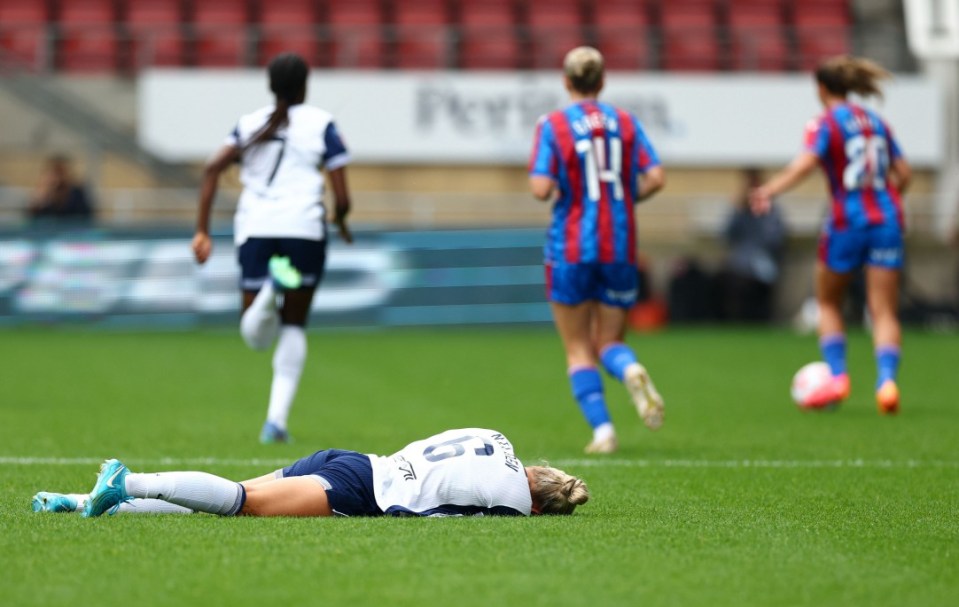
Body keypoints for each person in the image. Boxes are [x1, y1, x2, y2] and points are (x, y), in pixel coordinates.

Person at [192, 52, 353, 443]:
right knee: (294, 324)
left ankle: (270, 289)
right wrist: (342, 219)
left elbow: (212, 168)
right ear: (305, 84)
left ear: (270, 84)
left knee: (256, 336)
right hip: (304, 229)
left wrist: (202, 230)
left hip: (257, 227)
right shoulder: (322, 124)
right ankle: (275, 422)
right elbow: (342, 193)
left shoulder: (248, 124)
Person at [750, 55, 911, 414]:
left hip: (846, 220)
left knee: (827, 301)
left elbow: (806, 163)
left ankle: (838, 378)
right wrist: (888, 200)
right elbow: (905, 173)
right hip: (886, 219)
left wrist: (769, 190)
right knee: (883, 309)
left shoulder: (825, 122)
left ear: (821, 89)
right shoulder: (877, 122)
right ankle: (887, 383)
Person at [528, 46, 667, 454]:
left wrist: (564, 190)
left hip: (571, 247)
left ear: (566, 81)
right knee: (610, 341)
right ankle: (630, 368)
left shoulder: (553, 125)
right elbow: (656, 177)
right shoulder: (625, 122)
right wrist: (622, 196)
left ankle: (604, 431)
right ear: (602, 81)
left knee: (577, 347)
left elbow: (539, 189)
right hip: (619, 245)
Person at [30, 428, 590, 518]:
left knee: (236, 490)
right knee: (240, 502)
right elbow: (446, 514)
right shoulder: (517, 505)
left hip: (352, 460)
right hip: (361, 489)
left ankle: (77, 500)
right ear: (538, 504)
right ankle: (126, 482)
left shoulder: (497, 438)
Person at [719, 168, 787, 322]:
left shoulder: (772, 211)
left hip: (763, 262)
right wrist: (737, 210)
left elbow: (775, 240)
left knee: (758, 274)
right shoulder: (740, 210)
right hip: (740, 264)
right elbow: (726, 235)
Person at [26, 155, 94, 225]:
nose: (58, 178)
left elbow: (85, 217)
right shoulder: (44, 193)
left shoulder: (76, 193)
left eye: (60, 173)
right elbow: (32, 219)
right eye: (54, 173)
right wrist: (39, 200)